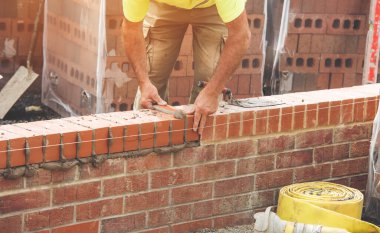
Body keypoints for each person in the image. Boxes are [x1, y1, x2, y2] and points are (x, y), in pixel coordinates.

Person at [123, 0, 251, 135]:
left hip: (213, 7)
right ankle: (145, 144)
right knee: (150, 87)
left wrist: (213, 92)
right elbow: (131, 28)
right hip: (162, 6)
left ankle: (199, 149)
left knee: (208, 89)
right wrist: (144, 83)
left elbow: (241, 35)